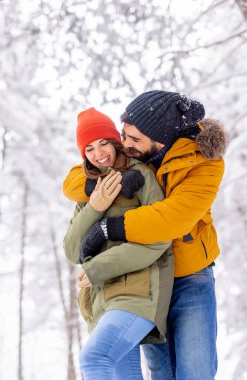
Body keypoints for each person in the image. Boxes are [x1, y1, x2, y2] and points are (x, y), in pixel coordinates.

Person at [63, 91, 227, 380]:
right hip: (148, 278)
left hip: (190, 276)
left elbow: (171, 220)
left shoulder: (205, 162)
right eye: (123, 135)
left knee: (196, 370)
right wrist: (104, 187)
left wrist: (107, 228)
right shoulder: (135, 153)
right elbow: (74, 179)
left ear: (159, 139)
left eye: (132, 139)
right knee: (160, 372)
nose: (124, 144)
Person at [63, 107, 174, 380]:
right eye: (89, 148)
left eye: (103, 143)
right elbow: (72, 250)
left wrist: (98, 267)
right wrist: (94, 207)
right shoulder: (89, 189)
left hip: (137, 292)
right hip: (101, 300)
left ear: (115, 141)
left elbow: (158, 239)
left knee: (94, 358)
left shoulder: (142, 177)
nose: (99, 153)